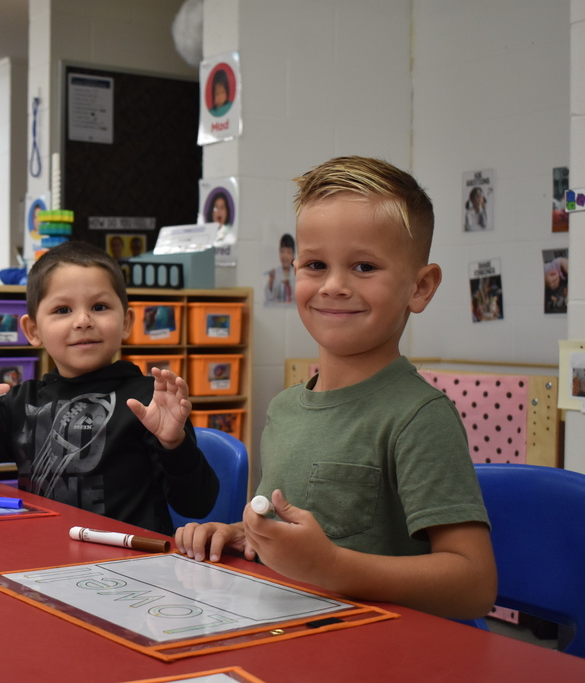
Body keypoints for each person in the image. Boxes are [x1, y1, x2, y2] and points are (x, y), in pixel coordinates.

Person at [176, 156, 497, 620]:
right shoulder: (285, 407)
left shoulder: (418, 417)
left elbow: (474, 585)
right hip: (280, 636)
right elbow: (299, 539)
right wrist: (243, 536)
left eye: (364, 266)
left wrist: (331, 566)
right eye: (315, 264)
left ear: (420, 287)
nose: (333, 286)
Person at [0, 241, 218, 535]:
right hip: (44, 560)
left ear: (127, 322)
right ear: (33, 330)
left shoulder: (150, 403)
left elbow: (197, 504)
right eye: (63, 309)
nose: (83, 321)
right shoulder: (22, 402)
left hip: (130, 566)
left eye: (99, 307)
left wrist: (174, 444)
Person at [263, 233, 295, 304]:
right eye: (282, 251)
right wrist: (271, 281)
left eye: (289, 252)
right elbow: (269, 298)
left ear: (293, 255)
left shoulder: (297, 274)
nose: (285, 256)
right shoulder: (276, 273)